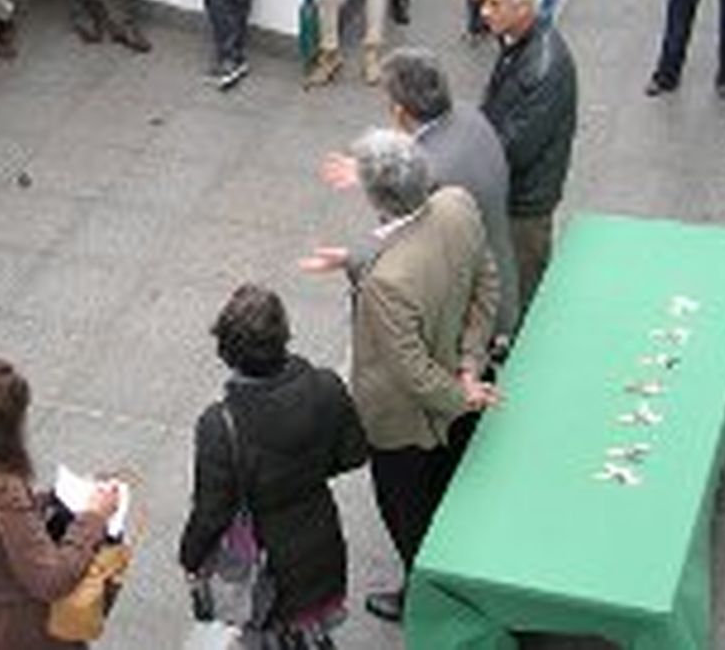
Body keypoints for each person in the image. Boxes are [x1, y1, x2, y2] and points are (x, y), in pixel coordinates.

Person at [300, 129, 499, 623]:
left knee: (409, 514)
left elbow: (410, 372)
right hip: (459, 386)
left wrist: (459, 395)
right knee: (452, 488)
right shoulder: (458, 203)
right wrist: (470, 367)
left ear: (375, 199)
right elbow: (485, 283)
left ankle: (426, 596)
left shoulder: (385, 285)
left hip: (406, 423)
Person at [178, 285, 367, 648]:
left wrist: (191, 556)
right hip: (320, 538)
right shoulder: (327, 386)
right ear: (283, 335)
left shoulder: (220, 425)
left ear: (227, 351)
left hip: (265, 560)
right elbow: (354, 454)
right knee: (310, 627)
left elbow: (212, 512)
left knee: (271, 631)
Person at [322, 48, 520, 343]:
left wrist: (351, 258)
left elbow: (401, 246)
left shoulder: (428, 175)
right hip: (502, 275)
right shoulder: (469, 116)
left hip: (469, 315)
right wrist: (369, 170)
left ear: (399, 110)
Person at [0, 355, 120, 650]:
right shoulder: (2, 491)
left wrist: (49, 500)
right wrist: (94, 517)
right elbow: (50, 580)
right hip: (32, 631)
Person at [478, 0, 577, 310]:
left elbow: (516, 148)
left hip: (525, 200)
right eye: (483, 2)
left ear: (523, 7)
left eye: (494, 4)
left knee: (522, 283)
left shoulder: (543, 67)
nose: (484, 12)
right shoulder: (518, 42)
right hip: (516, 192)